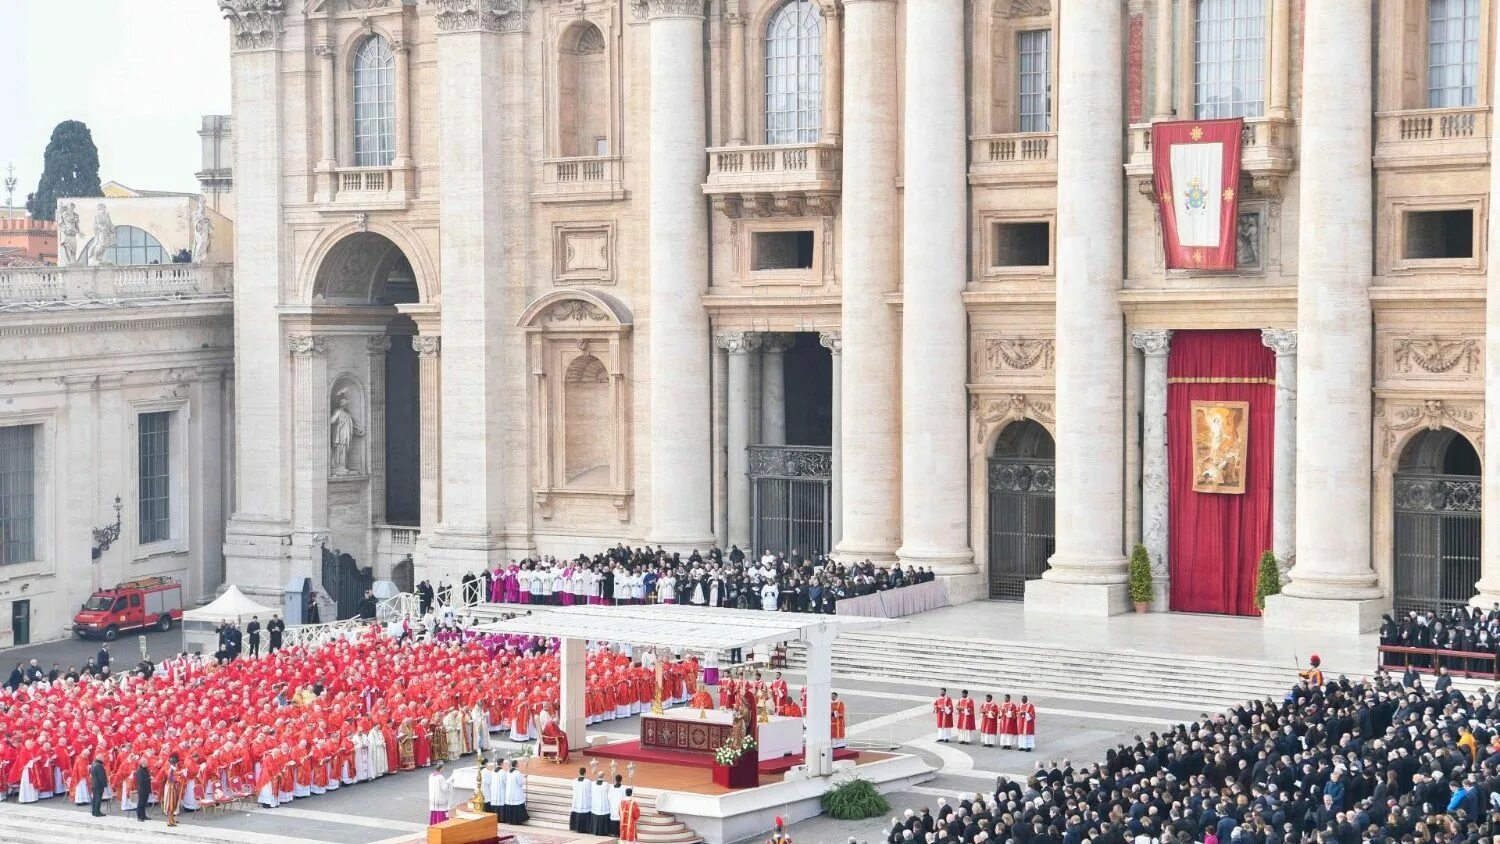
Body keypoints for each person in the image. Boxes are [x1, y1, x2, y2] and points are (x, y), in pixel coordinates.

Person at [503, 759, 529, 824]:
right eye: (518, 763)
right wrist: (523, 778)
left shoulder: (508, 771)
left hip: (509, 792)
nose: (519, 764)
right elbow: (520, 783)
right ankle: (517, 820)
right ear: (516, 764)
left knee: (510, 805)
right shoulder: (517, 773)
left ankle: (509, 820)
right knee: (517, 806)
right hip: (516, 792)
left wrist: (523, 776)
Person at [569, 767, 592, 832]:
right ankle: (584, 828)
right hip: (584, 801)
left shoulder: (574, 781)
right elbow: (590, 791)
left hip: (577, 800)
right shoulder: (588, 782)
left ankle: (575, 827)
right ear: (585, 773)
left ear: (579, 772)